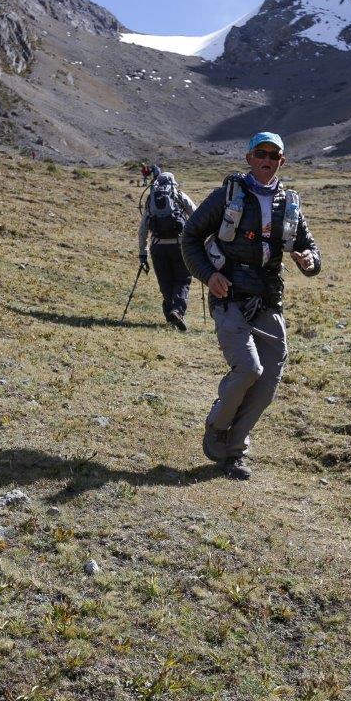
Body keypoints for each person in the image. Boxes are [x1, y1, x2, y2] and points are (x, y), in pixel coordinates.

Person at [180, 132, 321, 480]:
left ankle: (235, 452)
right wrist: (208, 275)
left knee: (268, 381)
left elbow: (310, 248)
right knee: (248, 369)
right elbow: (190, 237)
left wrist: (309, 261)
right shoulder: (228, 194)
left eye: (274, 155)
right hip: (229, 296)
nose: (267, 160)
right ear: (249, 157)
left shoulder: (289, 203)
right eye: (261, 153)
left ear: (281, 162)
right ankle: (218, 425)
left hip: (269, 299)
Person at [138, 167, 197, 331]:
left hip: (158, 247)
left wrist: (143, 253)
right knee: (183, 279)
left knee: (165, 281)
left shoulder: (151, 199)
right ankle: (177, 311)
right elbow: (197, 216)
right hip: (179, 245)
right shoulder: (178, 195)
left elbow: (143, 229)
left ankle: (170, 314)